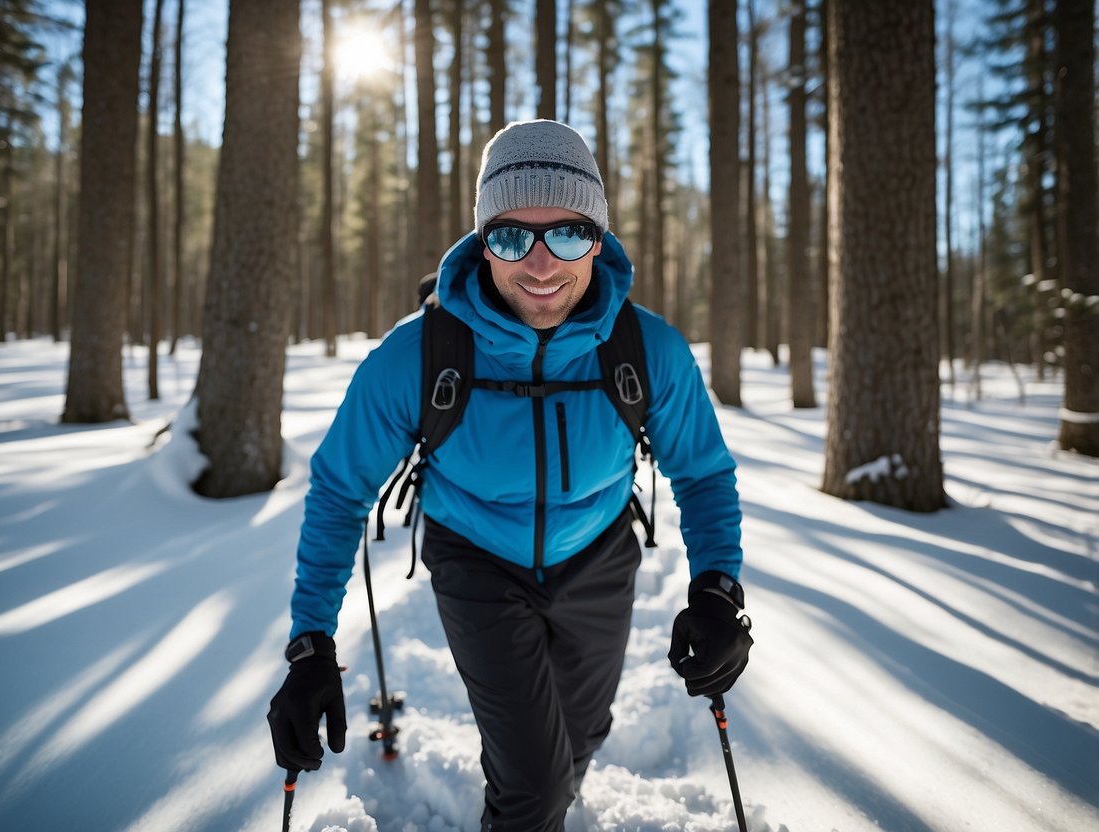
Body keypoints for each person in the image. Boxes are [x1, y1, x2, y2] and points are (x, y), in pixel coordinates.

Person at [267, 119, 753, 831]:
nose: (540, 264)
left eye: (566, 233)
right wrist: (311, 641)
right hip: (475, 561)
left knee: (580, 736)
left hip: (598, 554)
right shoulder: (418, 355)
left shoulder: (647, 350)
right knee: (531, 785)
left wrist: (717, 590)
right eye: (509, 236)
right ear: (480, 241)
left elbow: (704, 474)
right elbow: (340, 489)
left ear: (598, 237)